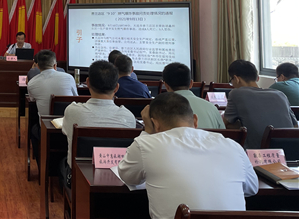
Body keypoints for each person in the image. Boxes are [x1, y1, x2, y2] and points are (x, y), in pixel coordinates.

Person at [118, 92, 259, 219]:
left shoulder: (146, 144)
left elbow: (128, 176)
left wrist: (147, 132)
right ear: (195, 120)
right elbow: (252, 188)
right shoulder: (232, 145)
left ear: (155, 123)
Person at [60, 60, 136, 187]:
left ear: (88, 82)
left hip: (79, 180)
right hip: (118, 180)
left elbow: (65, 132)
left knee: (61, 161)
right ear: (116, 87)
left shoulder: (72, 111)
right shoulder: (129, 117)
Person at [224, 59, 297, 149]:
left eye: (231, 81)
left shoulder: (236, 93)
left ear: (236, 79)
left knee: (231, 126)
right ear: (257, 78)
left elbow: (224, 123)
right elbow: (295, 125)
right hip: (290, 150)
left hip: (257, 152)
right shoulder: (280, 94)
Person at [27, 50, 78, 167]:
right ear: (55, 65)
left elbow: (32, 101)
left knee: (33, 129)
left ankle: (42, 168)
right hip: (68, 128)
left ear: (37, 66)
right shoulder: (69, 78)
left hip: (46, 129)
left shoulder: (32, 83)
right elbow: (75, 98)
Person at [162, 62, 225, 129]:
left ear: (166, 85)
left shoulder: (160, 108)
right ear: (191, 83)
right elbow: (223, 133)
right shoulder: (212, 108)